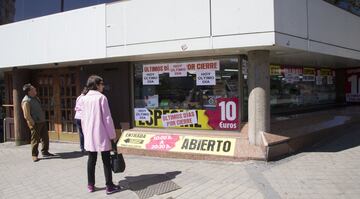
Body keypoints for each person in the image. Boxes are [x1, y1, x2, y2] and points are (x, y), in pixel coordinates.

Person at [79, 75, 120, 194]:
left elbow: (82, 118)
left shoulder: (84, 98)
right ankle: (109, 186)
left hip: (89, 134)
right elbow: (107, 118)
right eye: (102, 84)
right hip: (102, 133)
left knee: (91, 160)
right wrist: (112, 135)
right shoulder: (101, 98)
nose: (103, 86)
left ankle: (90, 185)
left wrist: (85, 133)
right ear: (96, 85)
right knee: (106, 160)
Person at [21, 83, 55, 162]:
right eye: (33, 89)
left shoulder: (36, 98)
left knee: (45, 138)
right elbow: (26, 115)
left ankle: (45, 151)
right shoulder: (26, 101)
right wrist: (32, 122)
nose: (35, 89)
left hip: (42, 121)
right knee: (35, 140)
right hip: (35, 123)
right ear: (29, 91)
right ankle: (34, 155)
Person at [74, 87, 87, 153]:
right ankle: (85, 147)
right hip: (83, 117)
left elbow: (76, 107)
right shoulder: (85, 98)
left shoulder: (78, 97)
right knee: (85, 132)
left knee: (81, 133)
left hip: (77, 117)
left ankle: (82, 147)